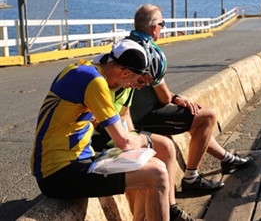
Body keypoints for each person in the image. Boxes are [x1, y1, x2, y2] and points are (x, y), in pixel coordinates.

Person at [30, 39, 170, 221]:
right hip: (58, 172)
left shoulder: (82, 69)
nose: (132, 86)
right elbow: (124, 142)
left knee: (155, 166)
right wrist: (145, 139)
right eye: (133, 81)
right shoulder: (94, 81)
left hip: (74, 160)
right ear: (125, 72)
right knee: (156, 175)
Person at [127, 3, 254, 194]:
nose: (163, 28)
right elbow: (164, 98)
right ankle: (191, 178)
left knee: (194, 115)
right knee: (207, 116)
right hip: (144, 118)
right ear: (154, 28)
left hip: (130, 117)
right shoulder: (151, 53)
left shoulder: (128, 44)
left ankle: (227, 159)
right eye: (162, 24)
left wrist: (176, 99)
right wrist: (176, 98)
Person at [92, 55, 195, 221]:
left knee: (165, 146)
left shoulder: (130, 85)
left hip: (119, 133)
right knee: (145, 169)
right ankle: (140, 217)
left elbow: (125, 114)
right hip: (100, 138)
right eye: (141, 81)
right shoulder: (106, 82)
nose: (139, 87)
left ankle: (170, 207)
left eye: (145, 84)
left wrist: (133, 137)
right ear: (130, 73)